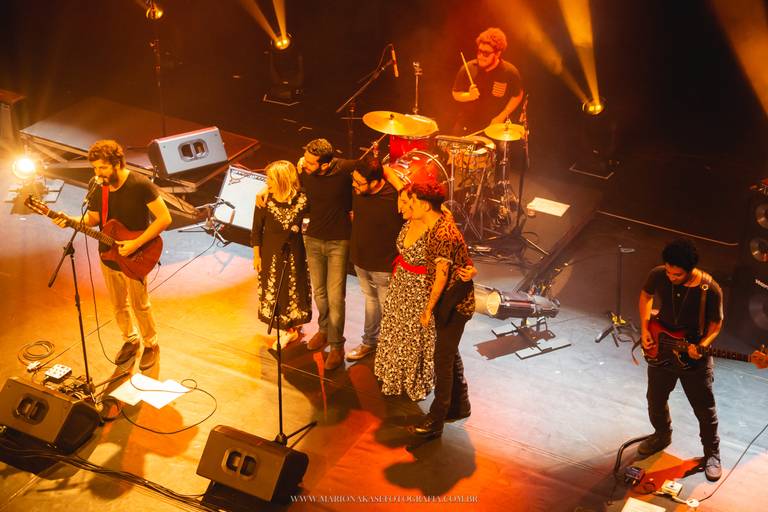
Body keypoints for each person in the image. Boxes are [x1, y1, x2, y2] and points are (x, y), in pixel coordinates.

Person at [53, 139, 171, 370]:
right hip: (108, 254)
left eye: (103, 168)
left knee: (140, 305)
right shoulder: (98, 185)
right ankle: (130, 339)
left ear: (117, 163)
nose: (98, 173)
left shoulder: (140, 184)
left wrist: (136, 243)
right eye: (95, 168)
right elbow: (94, 218)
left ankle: (151, 344)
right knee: (118, 304)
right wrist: (71, 221)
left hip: (136, 254)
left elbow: (165, 218)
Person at [638, 238, 724, 481]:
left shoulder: (710, 289)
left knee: (705, 410)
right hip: (661, 348)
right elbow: (645, 296)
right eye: (668, 271)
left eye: (677, 274)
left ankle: (712, 454)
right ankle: (661, 435)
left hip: (692, 356)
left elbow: (716, 325)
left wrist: (703, 345)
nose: (671, 276)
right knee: (654, 399)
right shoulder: (659, 275)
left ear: (690, 270)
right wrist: (645, 330)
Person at [405, 180, 476, 436]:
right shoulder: (438, 219)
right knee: (449, 352)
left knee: (442, 360)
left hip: (454, 304)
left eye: (411, 201)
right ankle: (460, 404)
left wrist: (427, 309)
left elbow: (441, 278)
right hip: (451, 302)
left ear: (424, 205)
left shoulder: (442, 233)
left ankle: (436, 420)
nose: (407, 205)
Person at [297, 138, 357, 370]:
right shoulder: (305, 170)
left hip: (338, 241)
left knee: (335, 297)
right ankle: (323, 330)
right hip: (312, 238)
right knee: (319, 292)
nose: (306, 165)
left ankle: (337, 345)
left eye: (312, 163)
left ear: (325, 164)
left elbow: (375, 168)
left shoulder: (343, 170)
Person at [347, 155, 404, 362]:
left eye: (359, 183)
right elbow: (386, 167)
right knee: (370, 303)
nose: (354, 186)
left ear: (375, 181)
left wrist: (399, 186)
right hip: (360, 259)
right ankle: (369, 342)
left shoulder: (394, 197)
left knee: (387, 308)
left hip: (384, 265)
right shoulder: (359, 186)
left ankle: (391, 352)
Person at [251, 160, 311, 348]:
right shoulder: (265, 200)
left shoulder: (303, 199)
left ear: (282, 180)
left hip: (296, 253)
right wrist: (256, 256)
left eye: (270, 178)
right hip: (271, 253)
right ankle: (286, 329)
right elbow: (256, 229)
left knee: (293, 288)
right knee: (276, 289)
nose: (266, 182)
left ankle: (291, 329)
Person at [452, 27, 524, 135]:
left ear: (498, 53)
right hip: (465, 126)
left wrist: (501, 116)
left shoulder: (509, 72)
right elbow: (455, 93)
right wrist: (468, 96)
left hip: (494, 127)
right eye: (479, 51)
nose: (481, 56)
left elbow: (518, 94)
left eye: (486, 53)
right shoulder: (468, 68)